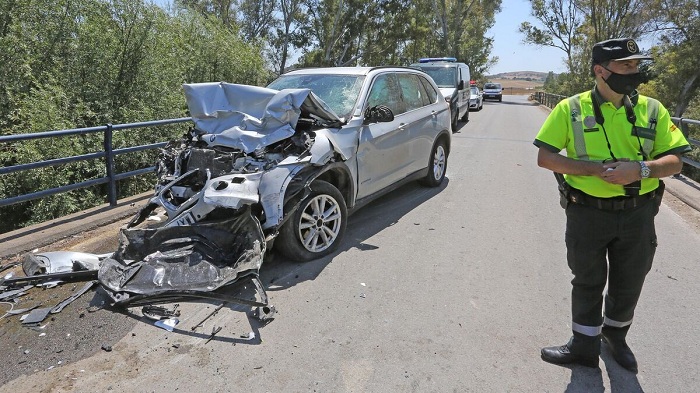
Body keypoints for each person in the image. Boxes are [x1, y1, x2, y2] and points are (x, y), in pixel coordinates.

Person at [533, 38, 691, 372]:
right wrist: (594, 169)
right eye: (626, 66)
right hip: (586, 212)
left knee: (629, 281)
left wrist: (641, 169)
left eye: (635, 65)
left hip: (638, 212)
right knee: (587, 280)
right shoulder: (570, 109)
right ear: (600, 71)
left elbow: (676, 160)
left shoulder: (652, 110)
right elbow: (545, 158)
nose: (635, 72)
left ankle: (615, 338)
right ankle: (583, 346)